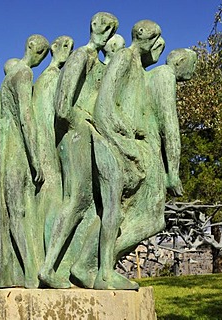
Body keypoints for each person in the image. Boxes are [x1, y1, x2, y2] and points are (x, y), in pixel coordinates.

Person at [39, 12, 119, 289]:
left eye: (110, 29)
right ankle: (48, 268)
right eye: (102, 25)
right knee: (76, 200)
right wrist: (81, 124)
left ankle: (77, 266)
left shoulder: (97, 61)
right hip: (75, 134)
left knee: (87, 203)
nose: (105, 31)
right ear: (93, 26)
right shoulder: (80, 57)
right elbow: (62, 106)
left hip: (88, 133)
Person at [92, 20, 162, 290]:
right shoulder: (123, 57)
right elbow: (104, 106)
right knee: (112, 210)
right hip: (112, 143)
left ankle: (102, 269)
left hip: (125, 143)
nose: (157, 43)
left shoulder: (137, 65)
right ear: (145, 36)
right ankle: (103, 273)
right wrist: (124, 145)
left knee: (129, 214)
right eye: (155, 37)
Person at [113, 48, 197, 264]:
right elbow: (169, 126)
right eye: (193, 64)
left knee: (135, 216)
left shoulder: (149, 75)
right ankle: (103, 259)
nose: (194, 69)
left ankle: (104, 260)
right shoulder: (165, 76)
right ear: (180, 62)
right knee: (154, 221)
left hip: (137, 148)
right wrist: (173, 172)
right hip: (149, 153)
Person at [0, 34, 48, 288]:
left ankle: (28, 267)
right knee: (17, 210)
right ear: (33, 48)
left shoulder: (9, 75)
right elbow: (25, 117)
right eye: (43, 51)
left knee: (18, 209)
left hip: (8, 145)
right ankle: (29, 270)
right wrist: (35, 158)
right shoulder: (24, 74)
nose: (42, 58)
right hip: (16, 147)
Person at [32, 35, 73, 262]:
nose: (67, 50)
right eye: (64, 46)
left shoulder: (49, 77)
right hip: (47, 148)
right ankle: (49, 262)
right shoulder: (49, 78)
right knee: (53, 202)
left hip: (50, 146)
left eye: (70, 47)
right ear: (54, 48)